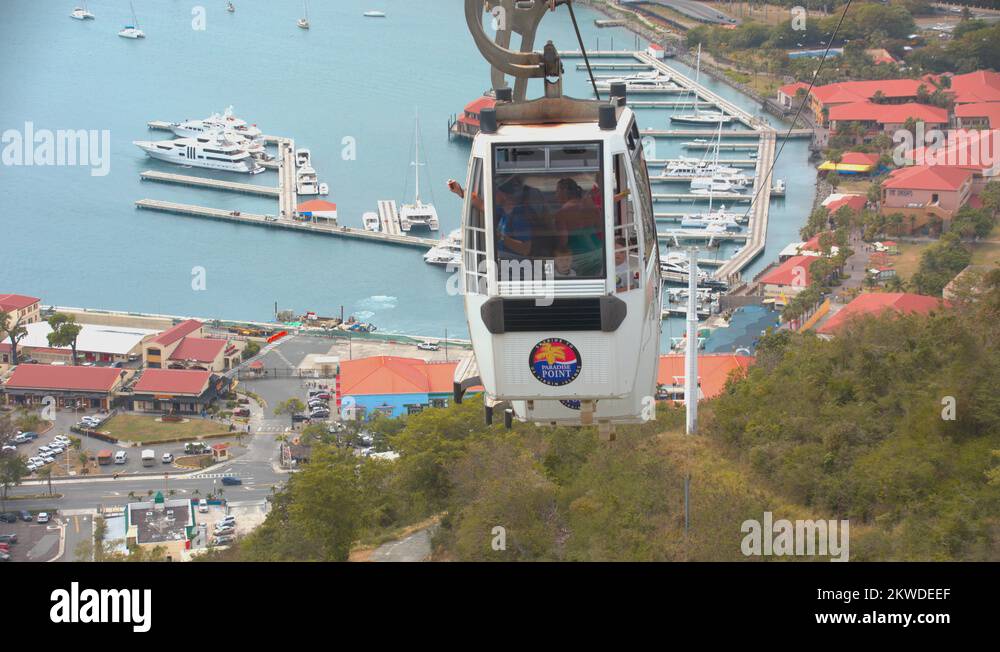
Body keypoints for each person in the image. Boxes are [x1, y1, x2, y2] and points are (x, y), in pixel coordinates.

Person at [554, 177, 603, 276]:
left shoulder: (562, 213)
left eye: (557, 191)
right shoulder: (591, 206)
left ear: (564, 192)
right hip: (598, 251)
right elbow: (600, 228)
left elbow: (563, 242)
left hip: (578, 256)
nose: (555, 195)